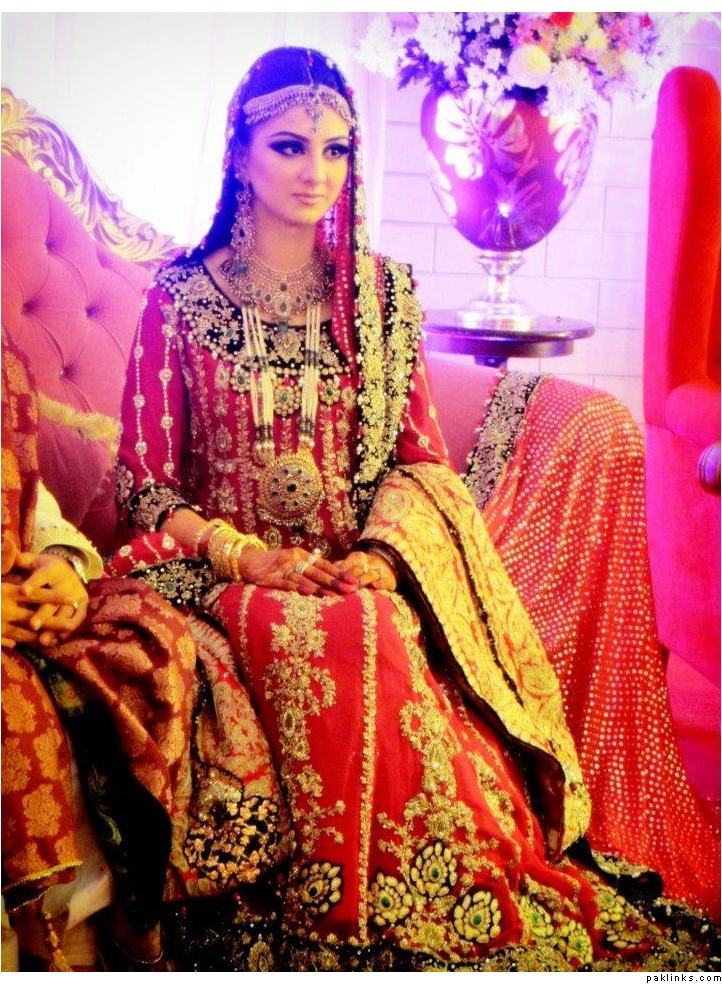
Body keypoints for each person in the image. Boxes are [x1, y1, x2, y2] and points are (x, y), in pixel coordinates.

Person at [115, 46, 719, 971]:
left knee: (368, 620)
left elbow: (420, 461)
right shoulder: (180, 299)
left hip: (351, 565)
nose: (316, 172)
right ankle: (327, 915)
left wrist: (382, 556)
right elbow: (146, 484)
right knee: (302, 630)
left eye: (336, 149)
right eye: (288, 146)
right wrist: (244, 557)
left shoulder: (382, 296)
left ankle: (439, 892)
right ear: (238, 153)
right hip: (225, 575)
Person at [1, 328, 200, 970]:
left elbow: (28, 502)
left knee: (147, 632)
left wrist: (60, 567)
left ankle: (133, 917)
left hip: (17, 594)